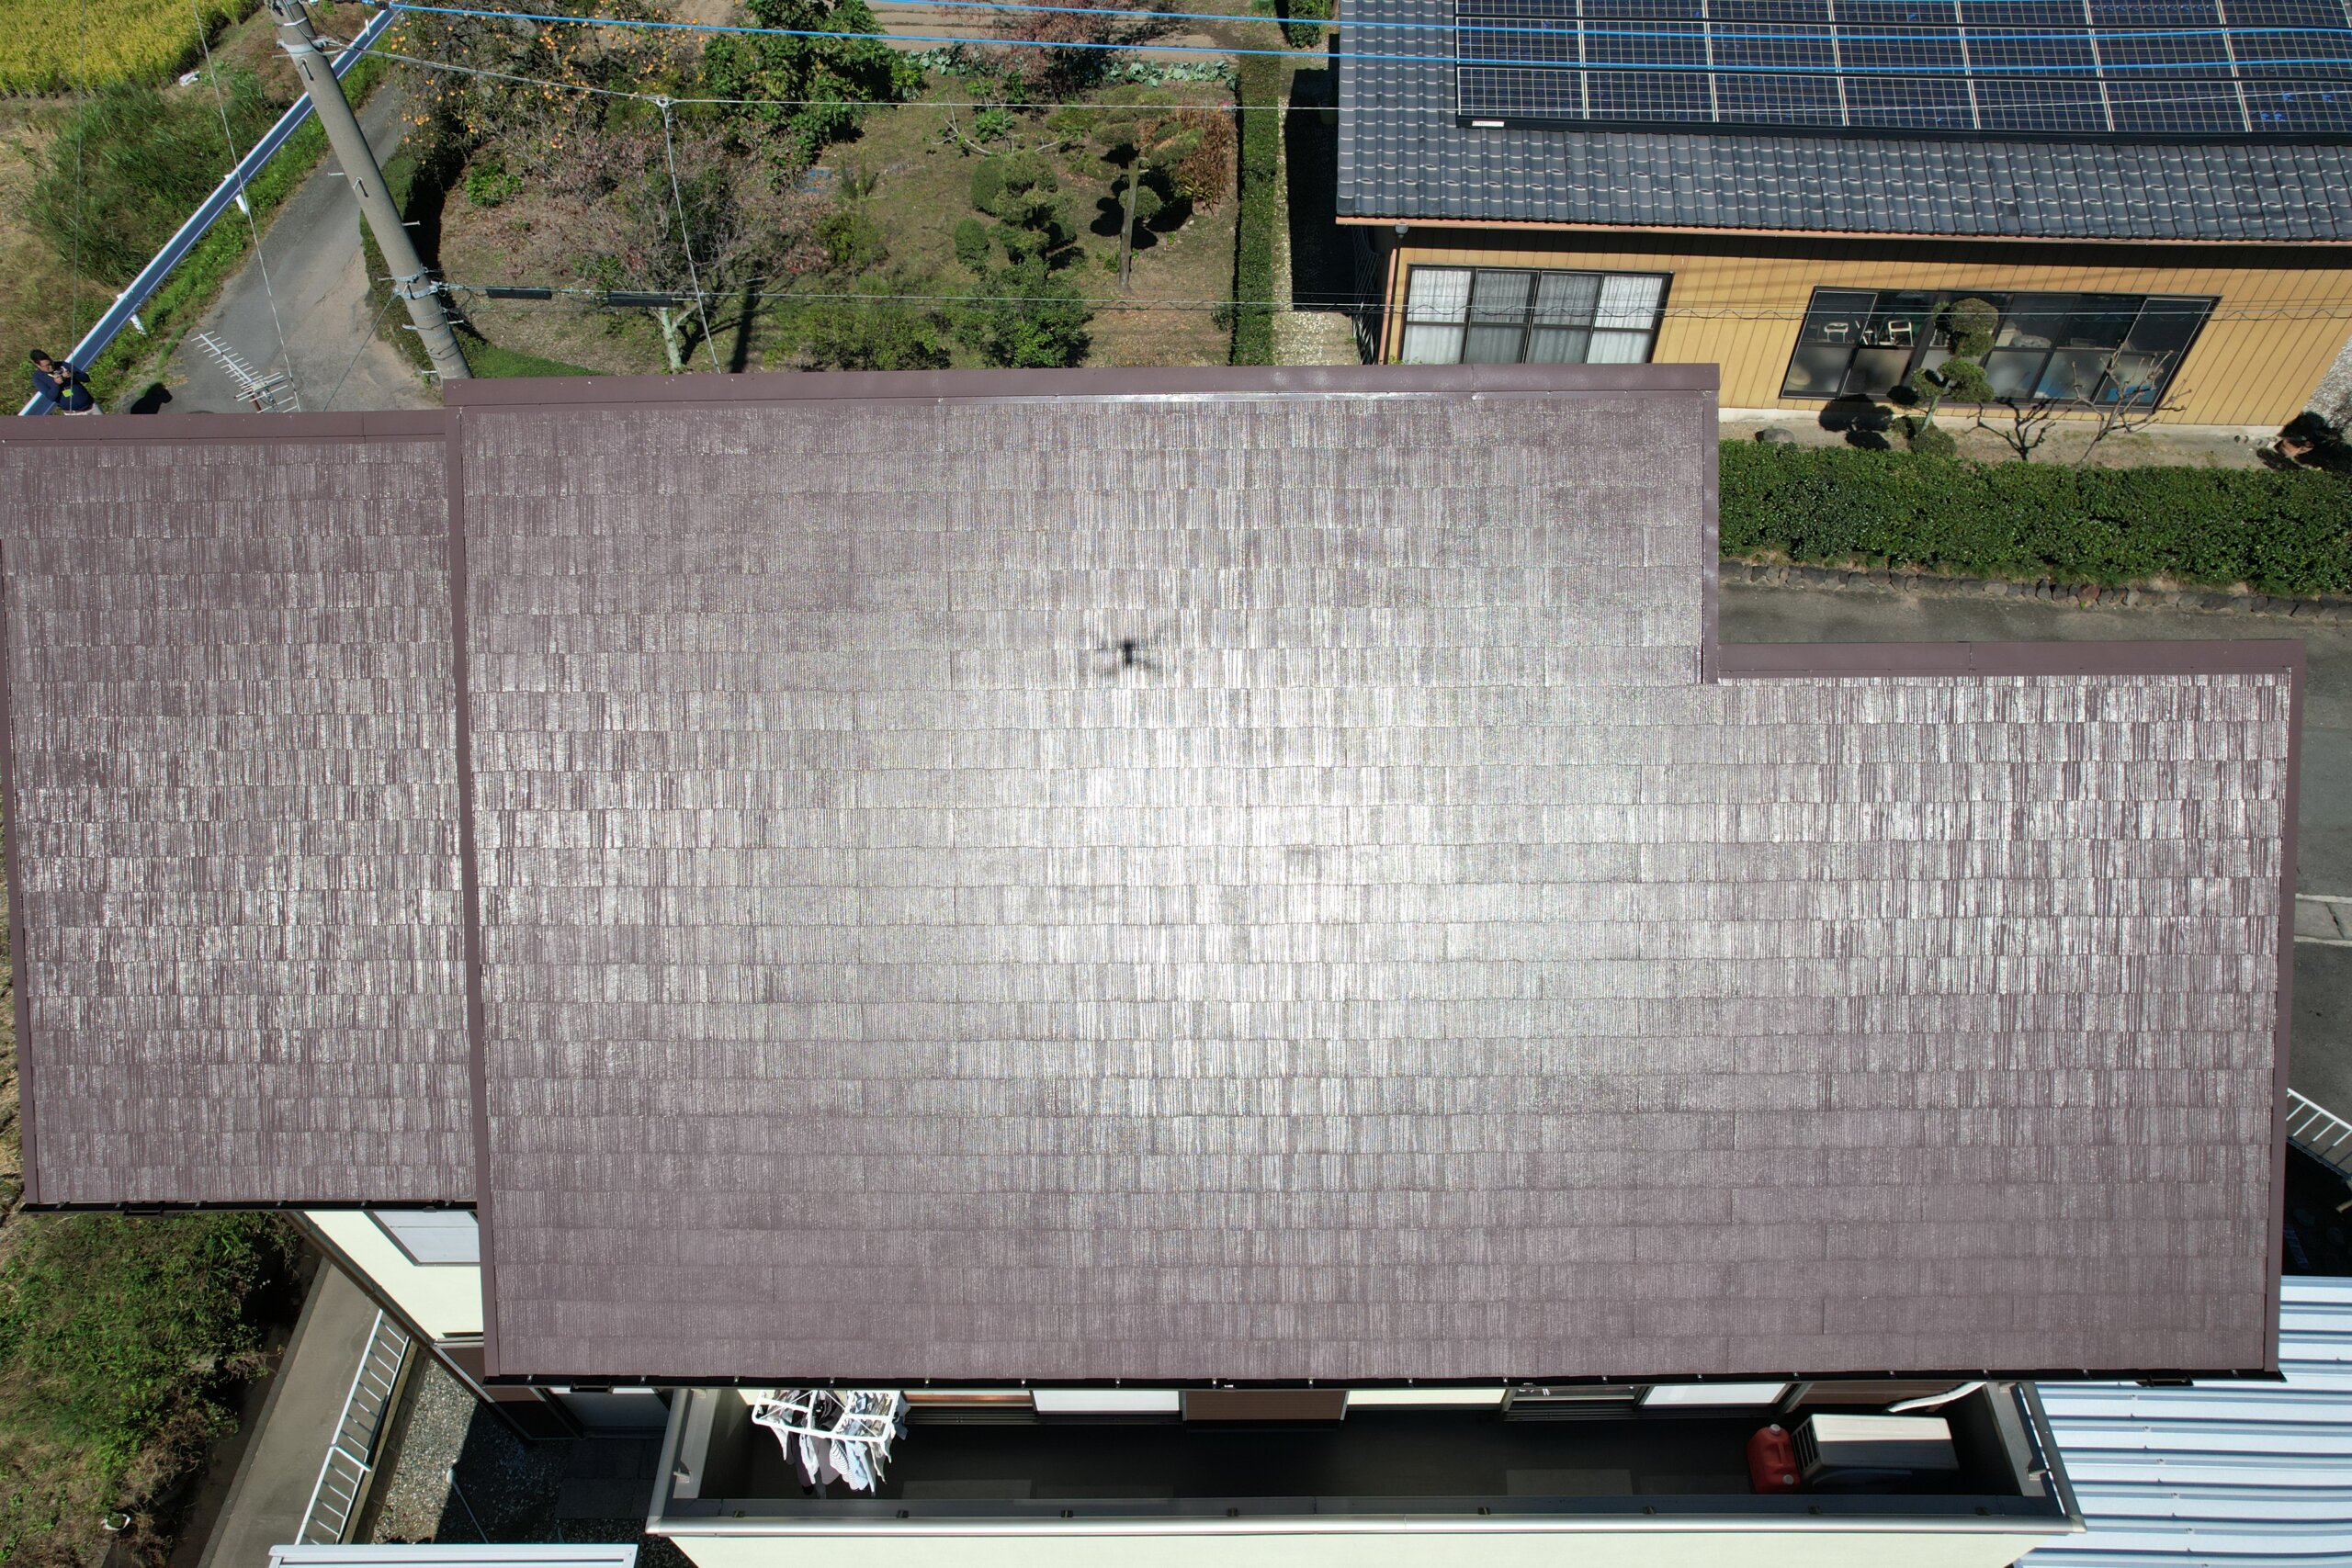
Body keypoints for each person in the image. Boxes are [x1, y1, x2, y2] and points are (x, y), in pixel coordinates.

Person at [28, 350, 97, 414]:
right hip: (73, 413)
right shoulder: (38, 378)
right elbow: (51, 397)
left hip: (91, 406)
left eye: (51, 363)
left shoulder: (63, 365)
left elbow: (86, 379)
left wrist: (73, 374)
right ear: (38, 365)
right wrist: (56, 384)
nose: (51, 366)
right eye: (47, 366)